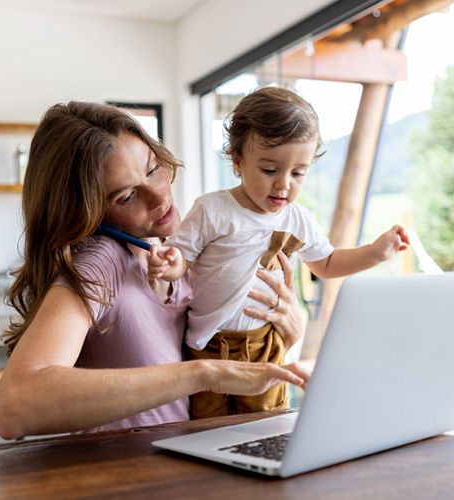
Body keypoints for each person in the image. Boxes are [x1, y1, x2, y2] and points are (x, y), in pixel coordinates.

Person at [0, 101, 310, 440]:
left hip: (190, 464)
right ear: (87, 212)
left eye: (153, 168)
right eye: (127, 196)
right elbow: (16, 407)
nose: (160, 198)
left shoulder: (175, 252)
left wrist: (287, 335)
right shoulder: (101, 262)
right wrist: (203, 373)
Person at [148, 87, 410, 419]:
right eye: (270, 170)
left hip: (266, 345)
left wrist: (375, 252)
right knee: (205, 422)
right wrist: (169, 264)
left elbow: (327, 263)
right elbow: (182, 257)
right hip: (208, 346)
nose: (284, 184)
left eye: (298, 173)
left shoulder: (298, 219)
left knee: (267, 421)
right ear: (239, 163)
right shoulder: (212, 209)